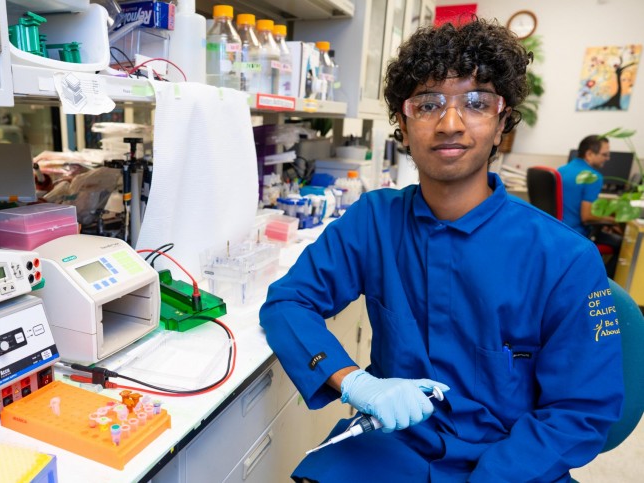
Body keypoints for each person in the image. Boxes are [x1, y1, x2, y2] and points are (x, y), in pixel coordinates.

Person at [259, 19, 623, 482]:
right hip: (393, 445)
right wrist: (355, 381)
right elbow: (289, 301)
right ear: (404, 127)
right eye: (428, 104)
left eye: (476, 103)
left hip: (515, 463)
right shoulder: (374, 221)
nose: (450, 123)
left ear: (502, 124)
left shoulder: (565, 258)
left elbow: (581, 412)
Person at [558, 135, 623, 276]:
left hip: (557, 231)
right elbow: (586, 217)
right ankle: (603, 284)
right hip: (577, 234)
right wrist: (614, 221)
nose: (608, 158)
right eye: (604, 154)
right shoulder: (593, 177)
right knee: (621, 244)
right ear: (589, 154)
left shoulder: (560, 170)